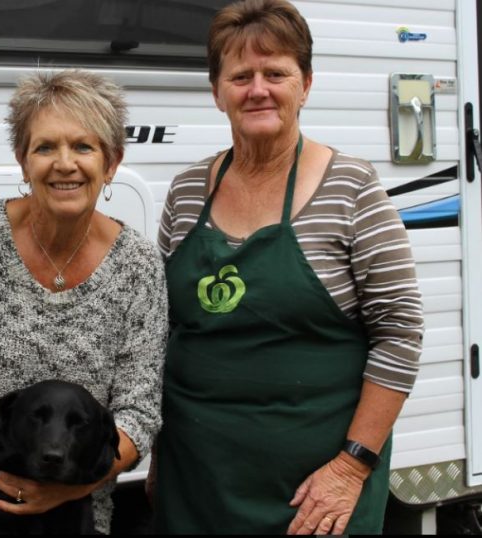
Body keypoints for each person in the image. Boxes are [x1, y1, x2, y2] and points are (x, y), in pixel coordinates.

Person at [150, 0, 424, 534]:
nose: (258, 89)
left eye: (276, 73)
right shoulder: (186, 191)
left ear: (306, 84)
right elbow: (162, 329)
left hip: (315, 497)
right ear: (216, 91)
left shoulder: (352, 187)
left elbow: (400, 333)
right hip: (197, 484)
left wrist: (352, 465)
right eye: (240, 75)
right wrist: (160, 457)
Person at [0, 69, 169, 535]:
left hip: (75, 510)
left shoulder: (138, 264)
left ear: (112, 162)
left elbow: (138, 412)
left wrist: (66, 490)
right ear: (23, 162)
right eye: (45, 147)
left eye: (83, 147)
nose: (65, 164)